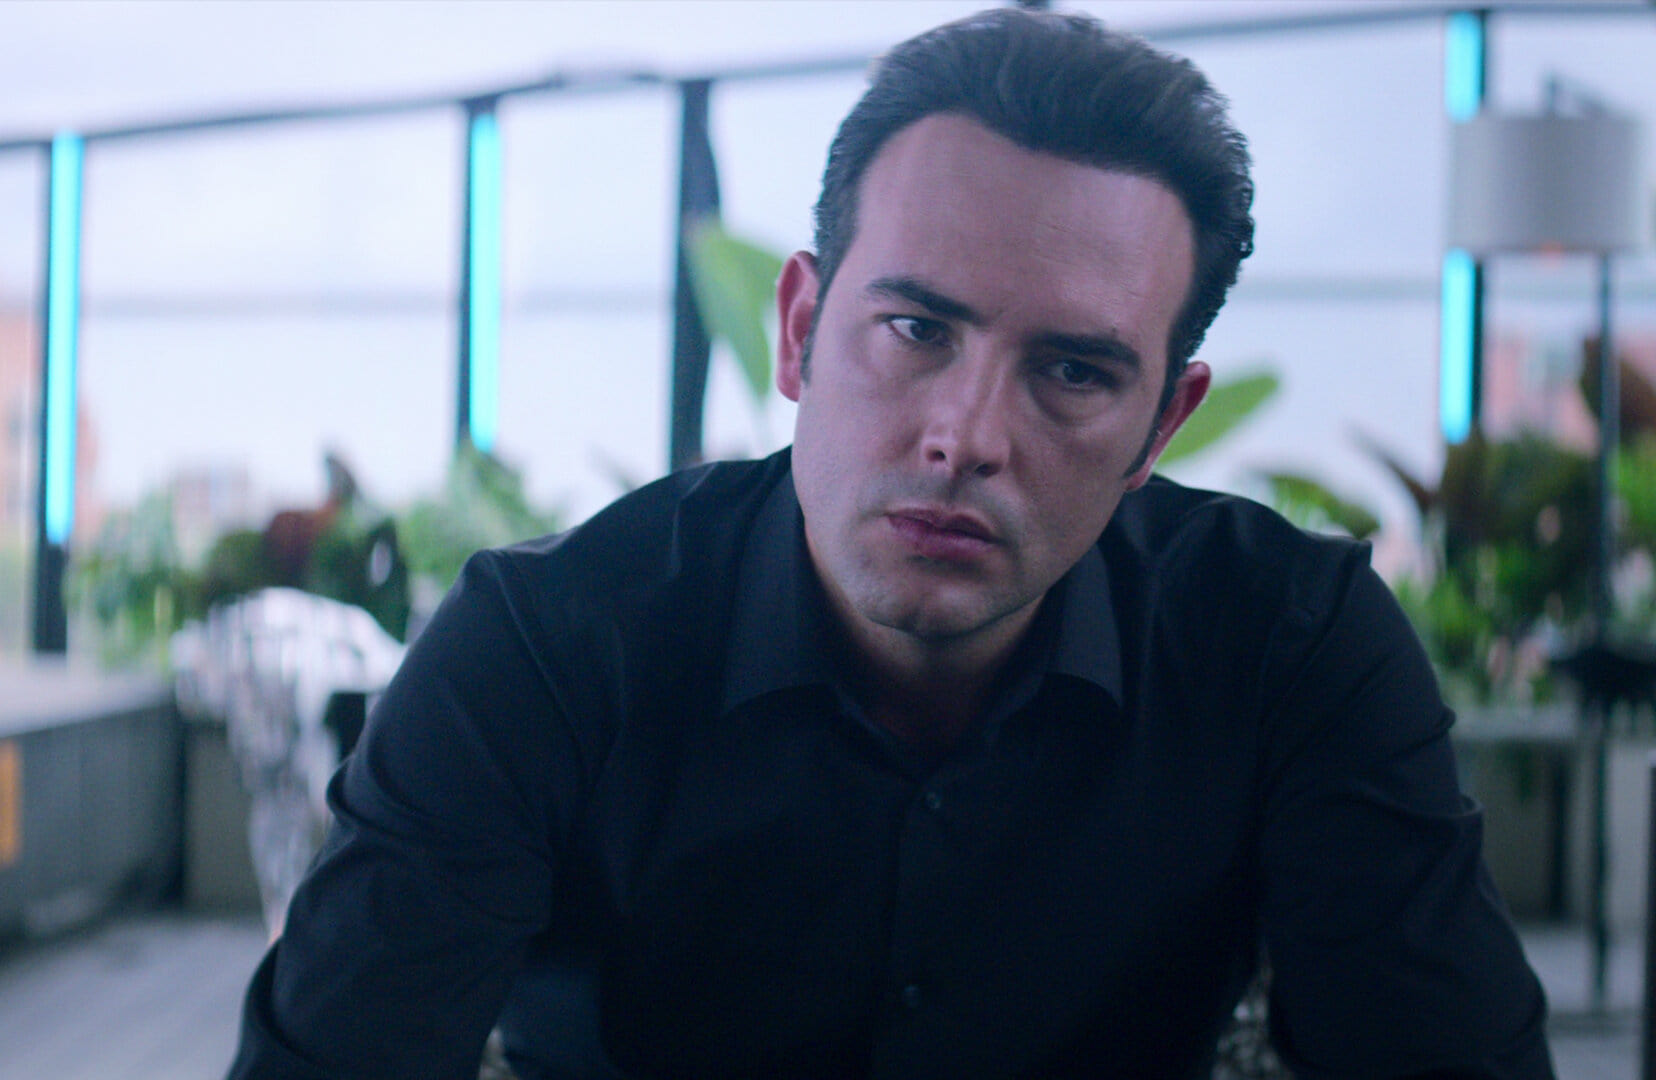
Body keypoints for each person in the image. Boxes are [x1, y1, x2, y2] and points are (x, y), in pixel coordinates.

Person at [229, 9, 1554, 1079]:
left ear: (1162, 422)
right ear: (800, 329)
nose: (964, 437)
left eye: (1073, 371)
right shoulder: (545, 649)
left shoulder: (1287, 646)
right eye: (917, 330)